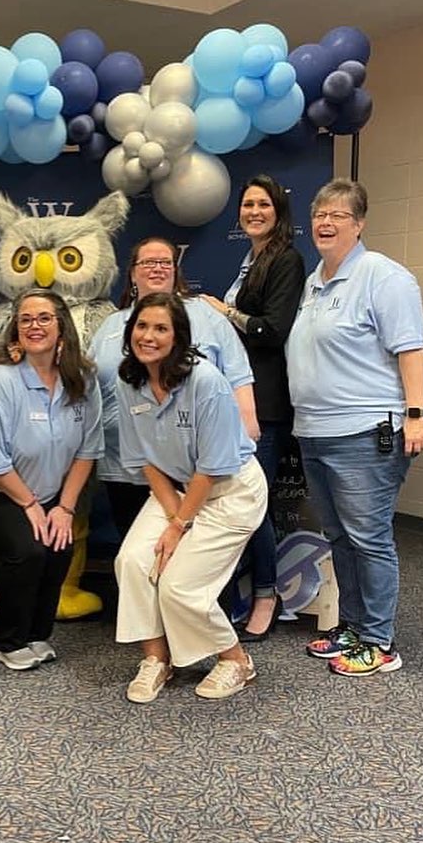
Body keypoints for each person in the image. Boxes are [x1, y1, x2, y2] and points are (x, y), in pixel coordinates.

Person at [287, 178, 423, 677]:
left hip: (366, 432)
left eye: (339, 215)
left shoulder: (383, 276)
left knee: (369, 537)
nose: (325, 223)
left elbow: (410, 348)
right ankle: (351, 626)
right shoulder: (316, 279)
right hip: (317, 431)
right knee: (340, 537)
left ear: (360, 223)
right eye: (320, 214)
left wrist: (417, 413)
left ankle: (379, 641)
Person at [114, 293, 267, 703]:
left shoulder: (206, 383)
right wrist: (172, 515)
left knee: (179, 586)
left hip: (229, 493)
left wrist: (178, 526)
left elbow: (213, 468)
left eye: (161, 328)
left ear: (179, 336)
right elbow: (146, 459)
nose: (149, 336)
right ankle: (156, 659)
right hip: (177, 490)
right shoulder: (128, 381)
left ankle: (236, 661)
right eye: (142, 326)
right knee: (131, 561)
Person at [0, 289, 103, 670]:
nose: (34, 326)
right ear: (15, 329)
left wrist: (64, 508)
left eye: (44, 318)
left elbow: (87, 451)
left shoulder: (82, 380)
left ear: (62, 328)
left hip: (52, 492)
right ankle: (5, 640)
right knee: (28, 550)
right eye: (25, 319)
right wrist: (30, 506)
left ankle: (36, 633)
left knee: (60, 546)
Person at [89, 237, 256, 541]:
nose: (157, 269)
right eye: (147, 263)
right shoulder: (111, 326)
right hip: (124, 467)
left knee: (192, 556)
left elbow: (236, 375)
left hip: (189, 467)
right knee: (138, 554)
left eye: (165, 262)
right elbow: (87, 386)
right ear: (132, 273)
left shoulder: (205, 316)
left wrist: (246, 429)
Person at [200, 175, 306, 641]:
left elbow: (271, 330)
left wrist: (223, 314)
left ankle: (267, 593)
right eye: (247, 205)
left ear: (279, 212)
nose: (254, 211)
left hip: (266, 405)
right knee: (236, 501)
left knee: (254, 506)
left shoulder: (286, 259)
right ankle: (234, 595)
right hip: (240, 401)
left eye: (263, 204)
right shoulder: (253, 259)